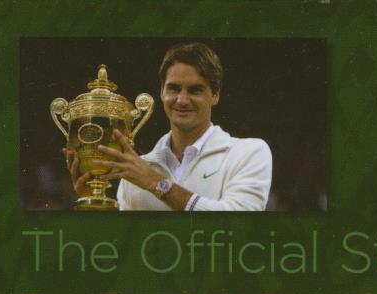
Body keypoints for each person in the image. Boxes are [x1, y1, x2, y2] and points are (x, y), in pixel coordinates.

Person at [65, 42, 272, 213]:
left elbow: (239, 227)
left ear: (215, 95)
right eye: (174, 88)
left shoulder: (248, 153)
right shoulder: (135, 171)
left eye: (195, 90)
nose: (182, 100)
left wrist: (157, 183)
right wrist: (93, 201)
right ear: (162, 92)